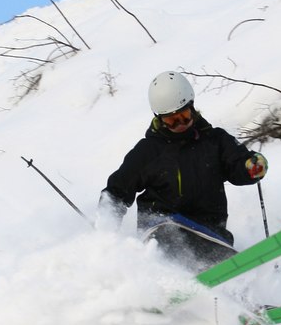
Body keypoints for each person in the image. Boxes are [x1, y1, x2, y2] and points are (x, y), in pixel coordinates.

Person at [99, 70, 267, 267]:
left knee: (216, 255)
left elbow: (238, 164)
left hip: (208, 230)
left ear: (192, 108)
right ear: (159, 118)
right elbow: (117, 191)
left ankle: (236, 291)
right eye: (171, 120)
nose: (180, 124)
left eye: (184, 116)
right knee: (171, 234)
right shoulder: (148, 151)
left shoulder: (216, 142)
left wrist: (251, 168)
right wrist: (104, 233)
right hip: (160, 228)